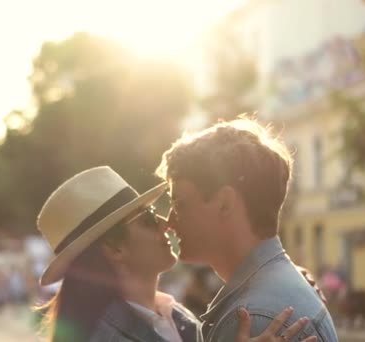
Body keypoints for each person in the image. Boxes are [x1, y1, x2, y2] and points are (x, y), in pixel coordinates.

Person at [36, 166, 316, 342]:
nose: (165, 222)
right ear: (114, 248)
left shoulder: (177, 316)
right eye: (147, 219)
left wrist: (279, 280)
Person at [156, 118, 338, 341]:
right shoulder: (276, 290)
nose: (170, 221)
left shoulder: (249, 318)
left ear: (225, 203)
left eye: (180, 205)